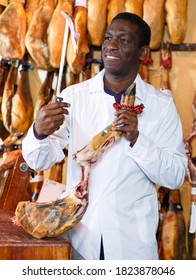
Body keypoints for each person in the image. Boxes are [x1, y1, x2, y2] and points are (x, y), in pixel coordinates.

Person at [22, 12, 187, 260]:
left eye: (123, 40)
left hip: (132, 245)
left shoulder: (161, 105)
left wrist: (137, 139)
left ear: (143, 53)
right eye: (109, 38)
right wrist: (39, 132)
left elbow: (175, 175)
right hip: (81, 239)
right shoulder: (74, 97)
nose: (111, 45)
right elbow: (37, 161)